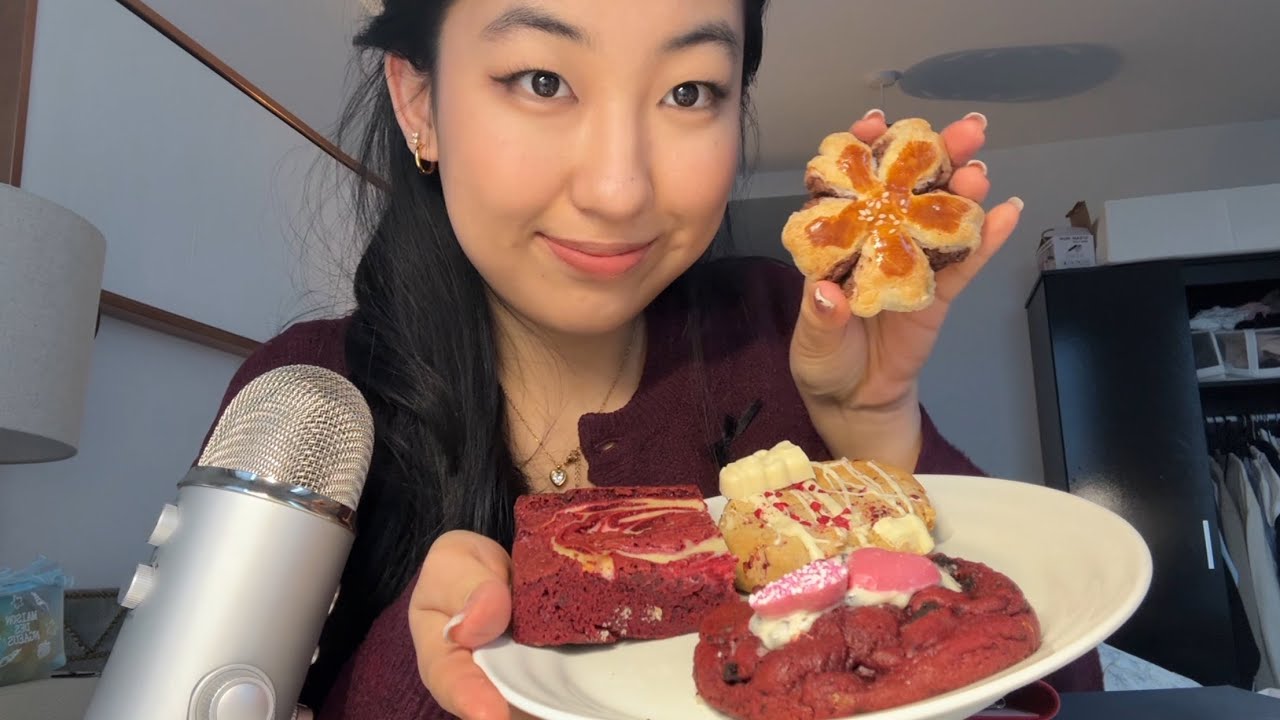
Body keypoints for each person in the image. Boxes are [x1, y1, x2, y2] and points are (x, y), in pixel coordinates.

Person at [201, 1, 1102, 718]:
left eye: (688, 93)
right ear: (419, 103)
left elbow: (1058, 673)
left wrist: (878, 439)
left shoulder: (784, 335)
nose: (620, 188)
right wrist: (424, 668)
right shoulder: (305, 408)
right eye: (542, 79)